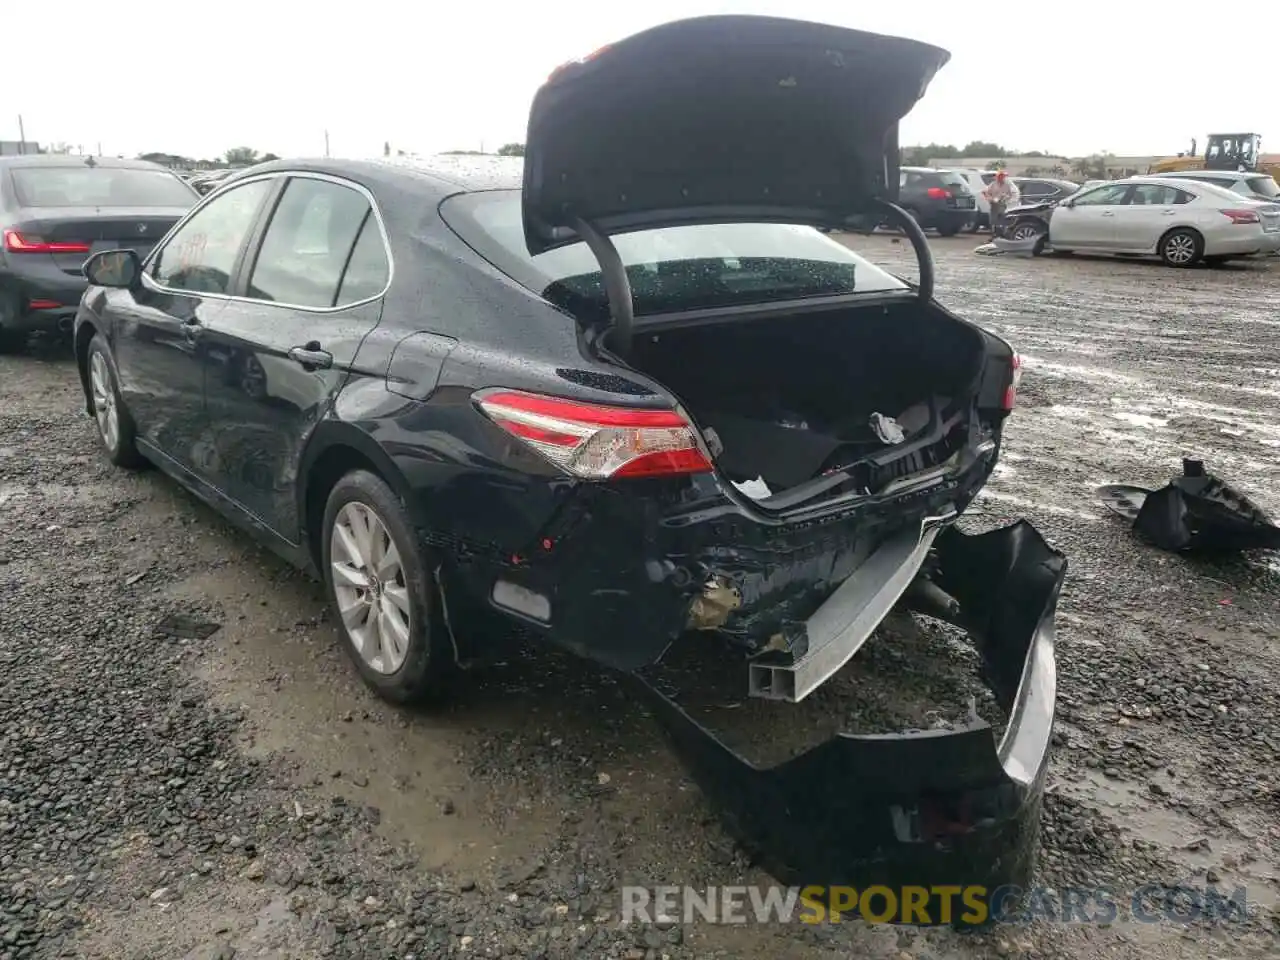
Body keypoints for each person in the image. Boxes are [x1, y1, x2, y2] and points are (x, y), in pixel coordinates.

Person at [983, 170, 1020, 235]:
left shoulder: (1009, 185)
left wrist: (1008, 199)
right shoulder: (993, 184)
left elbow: (1015, 194)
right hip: (994, 205)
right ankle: (994, 235)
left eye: (1003, 176)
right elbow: (986, 192)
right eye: (999, 176)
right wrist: (990, 199)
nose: (1001, 178)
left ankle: (1003, 235)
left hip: (1004, 205)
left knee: (1003, 221)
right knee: (993, 221)